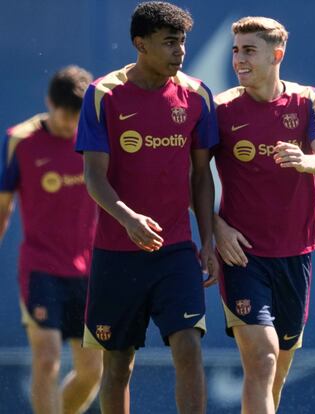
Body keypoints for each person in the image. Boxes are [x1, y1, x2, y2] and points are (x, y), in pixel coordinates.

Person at [75, 2, 219, 413]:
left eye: (183, 42)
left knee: (189, 345)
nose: (180, 51)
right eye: (169, 43)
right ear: (140, 44)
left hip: (175, 250)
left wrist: (206, 240)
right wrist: (128, 218)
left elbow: (201, 176)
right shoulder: (104, 94)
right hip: (117, 253)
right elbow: (94, 176)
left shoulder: (196, 95)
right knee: (118, 363)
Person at [213, 16, 315, 413]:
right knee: (263, 357)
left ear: (277, 54)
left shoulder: (307, 100)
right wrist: (217, 229)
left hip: (295, 251)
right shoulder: (218, 109)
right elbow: (189, 177)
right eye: (235, 50)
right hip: (242, 254)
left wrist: (305, 160)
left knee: (278, 368)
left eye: (249, 50)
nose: (239, 59)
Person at [0, 66, 102, 414]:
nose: (70, 124)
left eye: (77, 116)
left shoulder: (95, 137)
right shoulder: (20, 140)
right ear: (49, 102)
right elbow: (3, 206)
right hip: (41, 267)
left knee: (91, 372)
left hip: (89, 270)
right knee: (47, 360)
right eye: (65, 115)